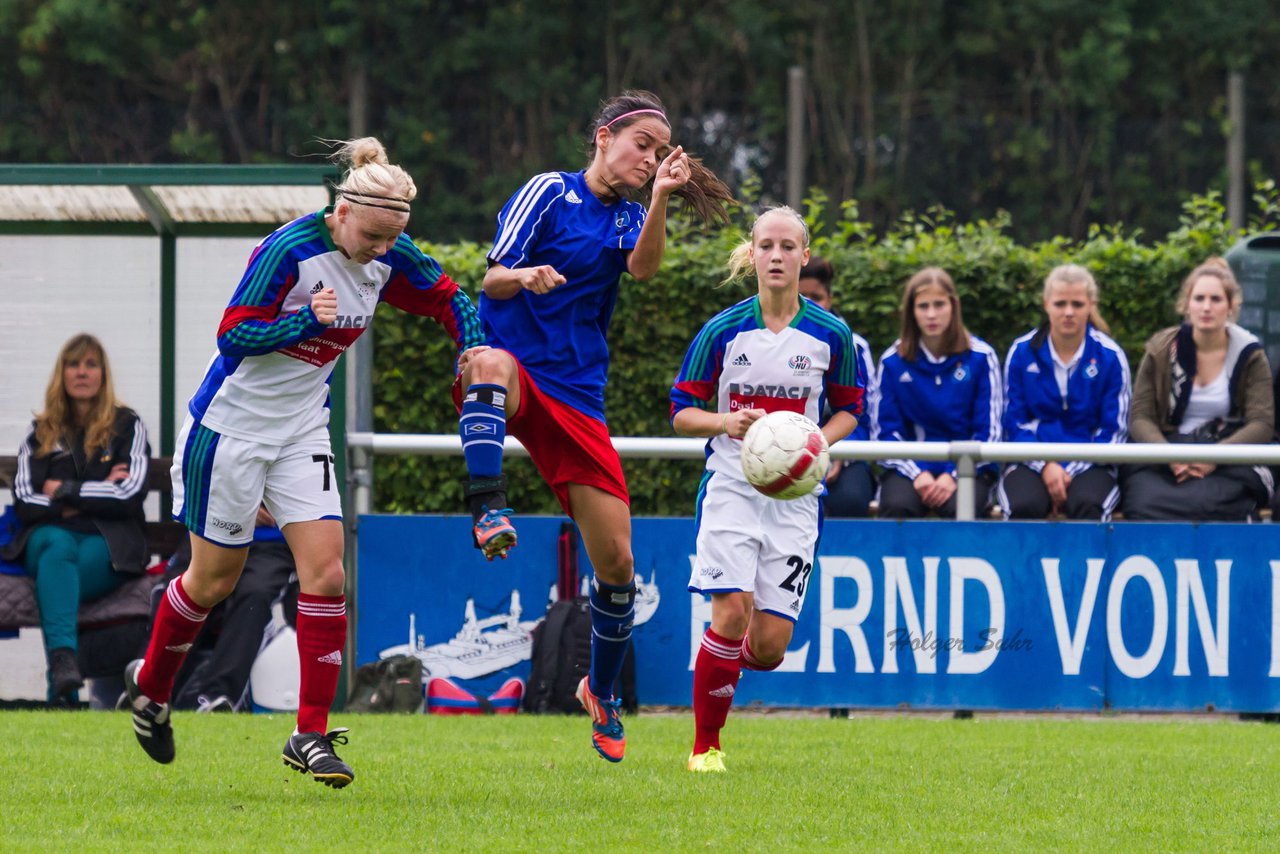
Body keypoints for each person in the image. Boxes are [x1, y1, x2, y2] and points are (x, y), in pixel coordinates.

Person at [123, 137, 485, 788]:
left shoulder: (388, 250)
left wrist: (474, 351)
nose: (383, 251)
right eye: (373, 236)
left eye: (392, 238)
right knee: (212, 584)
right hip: (229, 431)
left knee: (326, 573)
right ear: (341, 212)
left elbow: (448, 297)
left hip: (300, 430)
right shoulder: (288, 252)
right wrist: (298, 325)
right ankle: (150, 689)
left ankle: (309, 734)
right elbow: (233, 333)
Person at [457, 90, 733, 763]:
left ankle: (601, 692)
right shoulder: (548, 192)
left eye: (660, 151)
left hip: (578, 394)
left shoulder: (626, 220)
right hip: (519, 370)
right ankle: (487, 505)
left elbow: (642, 267)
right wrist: (526, 276)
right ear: (605, 137)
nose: (649, 158)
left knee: (618, 565)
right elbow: (490, 280)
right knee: (484, 361)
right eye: (642, 143)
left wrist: (664, 196)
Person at [670, 206, 863, 773]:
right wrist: (722, 423)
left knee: (770, 647)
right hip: (731, 485)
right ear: (751, 254)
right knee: (729, 612)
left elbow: (851, 410)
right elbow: (682, 411)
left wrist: (816, 445)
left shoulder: (832, 335)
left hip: (796, 499)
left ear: (805, 257)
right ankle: (706, 748)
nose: (776, 256)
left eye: (787, 247)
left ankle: (723, 664)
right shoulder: (723, 330)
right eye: (766, 246)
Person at [1, 333, 150, 703]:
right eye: (73, 364)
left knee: (59, 570)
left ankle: (62, 684)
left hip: (107, 546)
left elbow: (129, 494)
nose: (81, 372)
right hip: (47, 539)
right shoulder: (40, 433)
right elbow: (24, 499)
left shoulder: (127, 426)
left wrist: (65, 492)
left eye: (90, 364)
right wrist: (96, 491)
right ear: (61, 373)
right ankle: (65, 667)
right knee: (56, 544)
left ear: (103, 374)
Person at [1122, 258, 1274, 520]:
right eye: (1199, 298)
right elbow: (1140, 417)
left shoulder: (1251, 355)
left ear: (1230, 307)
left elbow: (1261, 423)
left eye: (1215, 299)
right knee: (1142, 501)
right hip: (1168, 451)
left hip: (1228, 452)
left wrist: (1215, 457)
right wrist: (1170, 457)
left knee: (1219, 504)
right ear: (1186, 305)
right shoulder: (1160, 350)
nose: (1206, 307)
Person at [999, 264, 1131, 520]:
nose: (1068, 312)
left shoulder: (1111, 356)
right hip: (1031, 462)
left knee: (1088, 505)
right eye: (1060, 304)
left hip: (1093, 464)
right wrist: (1047, 466)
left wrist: (1070, 469)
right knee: (1023, 506)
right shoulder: (1021, 351)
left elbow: (1114, 431)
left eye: (1077, 304)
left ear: (1091, 305)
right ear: (1046, 304)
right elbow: (1014, 424)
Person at [873, 268, 1002, 518]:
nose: (931, 314)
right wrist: (917, 473)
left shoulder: (982, 357)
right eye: (923, 306)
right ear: (911, 311)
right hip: (910, 469)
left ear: (953, 306)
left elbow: (989, 433)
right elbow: (886, 432)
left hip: (967, 467)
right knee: (898, 505)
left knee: (959, 507)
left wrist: (955, 474)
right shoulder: (892, 361)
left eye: (939, 304)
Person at [162, 507, 296, 712]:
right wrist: (237, 509)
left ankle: (217, 697)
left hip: (272, 544)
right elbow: (190, 489)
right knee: (183, 592)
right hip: (210, 537)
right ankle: (153, 691)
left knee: (254, 597)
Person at [797, 256, 877, 517]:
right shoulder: (765, 337)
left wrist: (836, 454)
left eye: (816, 297)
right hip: (783, 450)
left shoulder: (854, 346)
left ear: (829, 299)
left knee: (850, 500)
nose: (810, 304)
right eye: (801, 295)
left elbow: (864, 415)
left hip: (842, 451)